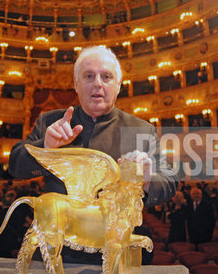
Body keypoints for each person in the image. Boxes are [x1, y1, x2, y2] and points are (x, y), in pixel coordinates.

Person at [9, 46, 177, 208]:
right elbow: (15, 165)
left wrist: (147, 181)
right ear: (76, 84)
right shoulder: (50, 121)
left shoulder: (141, 129)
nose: (98, 84)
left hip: (114, 234)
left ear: (118, 85)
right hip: (61, 232)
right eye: (89, 76)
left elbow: (169, 181)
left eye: (106, 77)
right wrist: (46, 148)